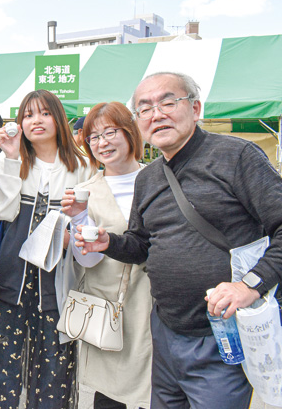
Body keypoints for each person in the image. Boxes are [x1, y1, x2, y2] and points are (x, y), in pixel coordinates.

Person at [77, 72, 282, 409]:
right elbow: (141, 244)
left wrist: (249, 286)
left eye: (168, 102)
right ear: (139, 122)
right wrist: (108, 243)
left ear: (196, 107)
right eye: (145, 108)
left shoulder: (237, 157)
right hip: (165, 331)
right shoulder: (149, 178)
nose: (157, 114)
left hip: (220, 333)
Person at [0, 89, 94, 409]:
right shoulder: (13, 161)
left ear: (58, 119)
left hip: (58, 286)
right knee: (3, 365)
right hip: (12, 281)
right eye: (29, 114)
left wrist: (72, 233)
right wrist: (8, 157)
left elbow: (92, 224)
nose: (37, 121)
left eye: (45, 113)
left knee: (54, 368)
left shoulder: (82, 166)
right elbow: (1, 212)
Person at [61, 102, 153, 409]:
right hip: (111, 310)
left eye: (110, 132)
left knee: (156, 392)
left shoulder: (160, 180)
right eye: (94, 137)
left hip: (157, 309)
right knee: (110, 396)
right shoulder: (86, 191)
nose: (102, 143)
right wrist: (78, 219)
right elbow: (87, 260)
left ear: (130, 132)